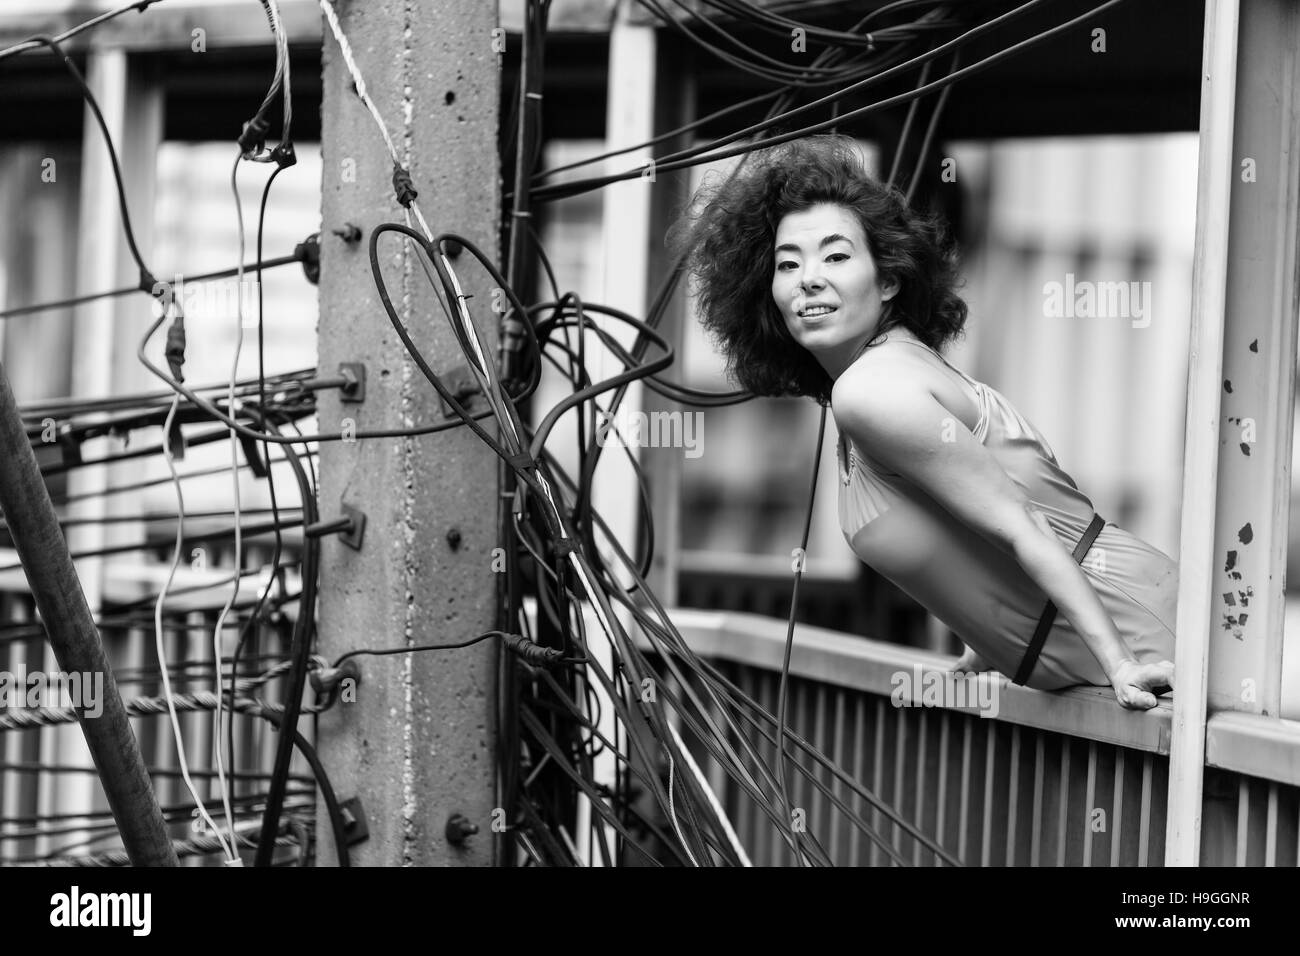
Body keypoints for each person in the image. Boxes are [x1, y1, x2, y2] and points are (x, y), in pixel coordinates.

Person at [673, 134, 1175, 711]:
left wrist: (1121, 664)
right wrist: (986, 642)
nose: (809, 277)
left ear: (889, 280)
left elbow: (1022, 524)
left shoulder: (872, 390)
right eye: (789, 264)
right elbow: (954, 525)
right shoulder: (879, 375)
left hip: (1136, 632)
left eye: (836, 256)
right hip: (1094, 645)